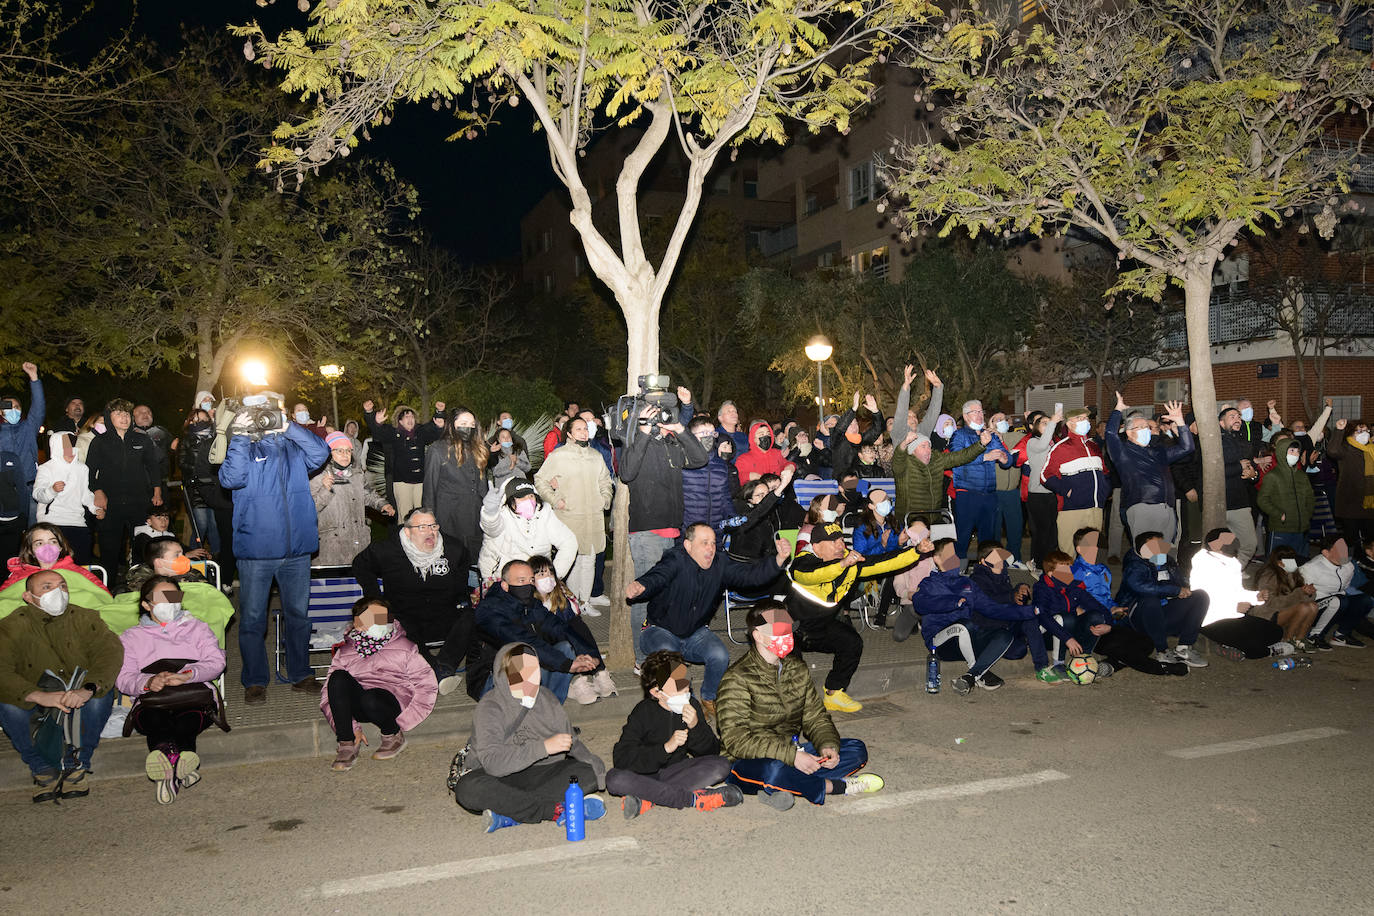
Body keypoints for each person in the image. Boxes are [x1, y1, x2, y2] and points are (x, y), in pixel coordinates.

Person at [716, 604, 883, 810]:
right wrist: (792, 756)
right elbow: (736, 740)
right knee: (773, 770)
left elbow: (815, 716)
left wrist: (826, 744)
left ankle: (787, 784)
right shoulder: (736, 678)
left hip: (791, 751)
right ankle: (834, 786)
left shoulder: (796, 668)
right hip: (746, 761)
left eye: (788, 630)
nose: (787, 636)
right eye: (779, 632)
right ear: (758, 636)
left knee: (855, 749)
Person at [219, 401, 331, 705]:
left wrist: (289, 426)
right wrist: (240, 435)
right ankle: (254, 680)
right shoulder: (243, 446)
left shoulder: (292, 446)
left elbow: (322, 453)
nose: (264, 420)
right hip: (256, 550)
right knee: (253, 619)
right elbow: (230, 479)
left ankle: (301, 673)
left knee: (299, 616)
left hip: (297, 550)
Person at [627, 522, 789, 718]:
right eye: (704, 543)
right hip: (658, 630)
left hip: (694, 632)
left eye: (713, 543)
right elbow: (658, 576)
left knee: (720, 656)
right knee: (671, 660)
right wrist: (641, 585)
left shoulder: (721, 563)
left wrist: (778, 560)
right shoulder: (675, 559)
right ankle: (688, 702)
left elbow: (749, 576)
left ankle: (709, 697)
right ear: (688, 546)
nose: (710, 548)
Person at [453, 642, 608, 832]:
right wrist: (543, 747)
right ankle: (552, 810)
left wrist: (597, 770)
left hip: (539, 773)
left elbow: (573, 743)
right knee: (468, 789)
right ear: (506, 675)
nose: (531, 678)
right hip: (499, 778)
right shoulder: (490, 706)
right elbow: (492, 763)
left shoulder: (547, 699)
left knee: (586, 774)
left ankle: (510, 812)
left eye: (534, 670)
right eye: (522, 672)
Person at [0, 570, 122, 802]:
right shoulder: (10, 626)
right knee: (8, 705)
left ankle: (76, 764)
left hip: (78, 691)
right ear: (28, 597)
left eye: (63, 586)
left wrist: (88, 688)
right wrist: (36, 695)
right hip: (37, 696)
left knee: (99, 698)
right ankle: (42, 768)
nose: (58, 592)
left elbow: (110, 653)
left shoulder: (86, 618)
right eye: (47, 587)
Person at [115, 575, 226, 804]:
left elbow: (216, 662)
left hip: (192, 693)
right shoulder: (131, 637)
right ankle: (180, 763)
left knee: (188, 718)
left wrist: (187, 675)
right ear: (146, 604)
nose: (170, 602)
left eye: (174, 596)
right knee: (154, 717)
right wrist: (147, 682)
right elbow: (123, 677)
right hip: (153, 697)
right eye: (162, 597)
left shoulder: (197, 628)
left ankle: (167, 762)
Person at [787, 521, 920, 711]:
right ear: (816, 547)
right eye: (833, 542)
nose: (841, 546)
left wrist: (917, 552)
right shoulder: (802, 562)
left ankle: (834, 693)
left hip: (818, 626)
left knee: (852, 642)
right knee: (793, 668)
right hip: (787, 626)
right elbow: (811, 575)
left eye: (842, 540)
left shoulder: (850, 563)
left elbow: (884, 562)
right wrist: (842, 564)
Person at [915, 539, 1068, 693]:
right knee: (964, 626)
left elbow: (993, 608)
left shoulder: (967, 584)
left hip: (967, 640)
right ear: (937, 559)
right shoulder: (930, 583)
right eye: (950, 554)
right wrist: (953, 603)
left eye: (956, 554)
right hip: (940, 642)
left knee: (1004, 635)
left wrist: (1031, 611)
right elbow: (920, 604)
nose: (955, 558)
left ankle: (971, 676)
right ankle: (980, 673)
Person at [620, 402, 709, 665]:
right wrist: (644, 430)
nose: (659, 421)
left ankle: (660, 651)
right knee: (643, 595)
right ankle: (641, 658)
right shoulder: (637, 441)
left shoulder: (672, 444)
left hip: (672, 531)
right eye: (653, 418)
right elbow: (626, 473)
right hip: (647, 532)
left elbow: (700, 458)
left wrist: (680, 428)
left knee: (666, 596)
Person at [606, 650, 742, 818]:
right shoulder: (643, 712)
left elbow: (711, 751)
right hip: (644, 773)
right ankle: (691, 799)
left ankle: (649, 797)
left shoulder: (691, 704)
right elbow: (621, 758)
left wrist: (696, 726)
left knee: (721, 765)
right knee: (614, 779)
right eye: (677, 685)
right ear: (656, 692)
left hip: (677, 772)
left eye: (685, 681)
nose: (685, 688)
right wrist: (665, 749)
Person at [353, 507, 474, 695]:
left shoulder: (452, 548)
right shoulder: (388, 549)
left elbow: (464, 565)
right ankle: (437, 671)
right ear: (408, 532)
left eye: (433, 526)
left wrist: (461, 595)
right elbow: (360, 565)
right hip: (405, 615)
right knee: (395, 621)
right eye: (422, 527)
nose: (430, 532)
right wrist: (376, 600)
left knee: (470, 616)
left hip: (442, 613)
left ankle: (443, 665)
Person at [322, 596, 437, 771]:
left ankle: (392, 735)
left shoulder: (405, 646)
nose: (381, 622)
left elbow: (425, 683)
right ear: (358, 623)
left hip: (389, 701)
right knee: (337, 678)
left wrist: (406, 719)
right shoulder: (345, 651)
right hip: (359, 702)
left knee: (371, 698)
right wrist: (352, 727)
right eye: (373, 618)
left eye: (383, 617)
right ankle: (346, 743)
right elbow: (328, 696)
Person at [474, 560, 598, 703]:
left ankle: (550, 711)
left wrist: (588, 654)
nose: (528, 585)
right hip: (492, 680)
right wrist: (566, 664)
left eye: (531, 580)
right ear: (505, 586)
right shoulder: (489, 610)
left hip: (528, 672)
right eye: (521, 581)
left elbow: (558, 627)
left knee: (565, 647)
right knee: (524, 656)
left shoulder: (530, 604)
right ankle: (529, 717)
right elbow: (522, 641)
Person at [534, 416, 613, 612]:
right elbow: (540, 479)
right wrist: (554, 500)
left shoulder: (595, 455)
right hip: (569, 516)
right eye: (578, 429)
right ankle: (571, 601)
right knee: (572, 560)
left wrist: (605, 499)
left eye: (585, 429)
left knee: (590, 559)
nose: (584, 432)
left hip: (593, 516)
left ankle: (584, 602)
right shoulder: (558, 456)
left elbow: (605, 481)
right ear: (568, 433)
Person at [87, 398, 163, 587]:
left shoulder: (142, 439)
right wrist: (96, 490)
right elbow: (88, 471)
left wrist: (157, 491)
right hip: (110, 504)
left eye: (126, 414)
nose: (124, 418)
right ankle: (107, 588)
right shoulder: (99, 442)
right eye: (118, 414)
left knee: (143, 546)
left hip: (138, 502)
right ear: (109, 417)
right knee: (109, 549)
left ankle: (142, 587)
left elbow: (153, 467)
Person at [1104, 396, 1193, 545]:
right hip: (1143, 507)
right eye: (1141, 427)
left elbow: (1187, 447)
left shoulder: (1158, 451)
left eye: (1148, 427)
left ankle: (1163, 569)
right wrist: (1117, 410)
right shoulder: (1123, 452)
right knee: (1147, 553)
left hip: (1167, 507)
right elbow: (1110, 434)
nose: (1146, 430)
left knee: (1166, 552)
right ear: (1129, 432)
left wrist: (1180, 421)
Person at [1115, 532, 1210, 667]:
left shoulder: (1167, 561)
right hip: (1138, 618)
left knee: (1200, 596)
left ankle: (1184, 648)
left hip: (1164, 613)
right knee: (1150, 600)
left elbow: (1181, 582)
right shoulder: (1134, 564)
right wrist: (1174, 591)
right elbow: (1141, 587)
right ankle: (1162, 651)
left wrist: (1183, 591)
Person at [529, 554, 615, 704]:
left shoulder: (559, 594)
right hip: (545, 650)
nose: (548, 578)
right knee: (561, 630)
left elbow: (571, 624)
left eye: (550, 573)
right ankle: (576, 680)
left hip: (565, 643)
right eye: (542, 574)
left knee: (575, 623)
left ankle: (599, 671)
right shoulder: (529, 601)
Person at [1190, 529, 1286, 659]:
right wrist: (1233, 607)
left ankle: (1230, 645)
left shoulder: (1232, 563)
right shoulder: (1203, 561)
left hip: (1235, 615)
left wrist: (1255, 597)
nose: (1232, 543)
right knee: (1255, 646)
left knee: (1276, 632)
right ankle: (1266, 652)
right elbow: (1203, 597)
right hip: (1212, 619)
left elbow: (1237, 591)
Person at [310, 431, 395, 566]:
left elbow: (367, 493)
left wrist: (382, 504)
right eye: (339, 451)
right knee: (335, 584)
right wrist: (325, 490)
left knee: (359, 579)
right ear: (329, 453)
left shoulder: (357, 474)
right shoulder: (317, 476)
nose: (345, 455)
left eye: (348, 451)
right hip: (331, 545)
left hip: (358, 540)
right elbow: (309, 510)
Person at [947, 398, 1013, 560]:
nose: (979, 415)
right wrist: (985, 457)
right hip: (967, 493)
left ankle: (987, 570)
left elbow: (1008, 458)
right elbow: (957, 458)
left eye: (981, 411)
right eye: (975, 412)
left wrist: (1005, 459)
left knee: (988, 538)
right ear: (965, 416)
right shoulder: (959, 435)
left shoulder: (990, 435)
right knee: (962, 536)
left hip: (989, 494)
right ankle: (956, 572)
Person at [479, 476, 578, 584]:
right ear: (510, 500)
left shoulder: (544, 513)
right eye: (521, 497)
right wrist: (490, 512)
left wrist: (553, 575)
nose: (528, 500)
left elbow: (568, 541)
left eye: (531, 496)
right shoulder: (502, 514)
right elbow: (492, 529)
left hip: (538, 577)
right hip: (503, 577)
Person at [177, 407, 235, 589]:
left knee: (217, 530)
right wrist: (198, 473)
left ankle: (217, 567)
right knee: (200, 526)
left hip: (218, 493)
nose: (200, 422)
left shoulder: (222, 439)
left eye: (203, 419)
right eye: (196, 420)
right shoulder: (187, 441)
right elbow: (183, 462)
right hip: (198, 490)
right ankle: (195, 565)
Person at [1040, 407, 1110, 555]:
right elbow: (1045, 475)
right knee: (1068, 553)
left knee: (1090, 553)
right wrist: (1067, 491)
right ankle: (1065, 578)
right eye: (1079, 419)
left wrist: (1104, 490)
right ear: (1069, 424)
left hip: (1095, 508)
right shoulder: (1061, 447)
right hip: (1072, 509)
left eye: (1086, 418)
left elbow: (1104, 472)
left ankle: (1086, 578)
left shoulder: (1094, 446)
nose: (1085, 421)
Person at [423, 406, 488, 562]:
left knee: (473, 559)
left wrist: (488, 512)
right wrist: (428, 521)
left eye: (472, 424)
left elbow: (482, 487)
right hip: (449, 516)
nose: (469, 427)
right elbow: (429, 489)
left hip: (474, 514)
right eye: (464, 422)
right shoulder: (438, 449)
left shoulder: (478, 449)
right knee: (452, 559)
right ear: (452, 424)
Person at [363, 399, 445, 520]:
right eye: (407, 416)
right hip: (402, 483)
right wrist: (371, 416)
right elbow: (378, 433)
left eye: (412, 416)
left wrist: (439, 412)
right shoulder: (393, 433)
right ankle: (403, 537)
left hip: (420, 483)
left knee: (422, 515)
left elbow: (434, 427)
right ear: (400, 420)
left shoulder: (421, 432)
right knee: (404, 516)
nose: (410, 418)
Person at [31, 431, 100, 565]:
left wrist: (95, 508)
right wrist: (52, 490)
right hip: (52, 523)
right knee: (53, 564)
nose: (69, 449)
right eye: (65, 445)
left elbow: (85, 494)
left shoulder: (82, 468)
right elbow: (37, 494)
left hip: (77, 522)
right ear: (56, 447)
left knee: (80, 564)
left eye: (71, 444)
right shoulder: (46, 468)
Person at [1300, 535, 1370, 648]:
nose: (1344, 552)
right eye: (1339, 549)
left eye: (1345, 548)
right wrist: (1305, 591)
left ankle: (1341, 635)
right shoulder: (1311, 567)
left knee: (1365, 600)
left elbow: (1347, 588)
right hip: (1314, 608)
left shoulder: (1348, 565)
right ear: (1326, 553)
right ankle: (1315, 636)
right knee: (1339, 601)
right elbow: (1296, 592)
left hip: (1339, 604)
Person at [2, 523, 110, 593]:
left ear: (60, 546)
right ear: (30, 550)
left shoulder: (78, 572)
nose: (47, 547)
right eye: (39, 543)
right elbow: (5, 599)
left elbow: (102, 595)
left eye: (53, 541)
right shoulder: (19, 575)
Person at [1251, 547, 1322, 651]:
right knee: (1303, 608)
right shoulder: (1268, 576)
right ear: (1279, 562)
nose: (1293, 563)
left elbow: (1302, 597)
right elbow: (1272, 603)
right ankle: (1287, 640)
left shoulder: (1294, 574)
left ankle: (1299, 639)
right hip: (1266, 615)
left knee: (1313, 606)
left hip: (1285, 611)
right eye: (1290, 560)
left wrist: (1309, 592)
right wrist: (1299, 593)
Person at [1257, 434, 1316, 559]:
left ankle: (1294, 579)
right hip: (1281, 529)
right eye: (1292, 451)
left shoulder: (1301, 475)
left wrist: (1307, 514)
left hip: (1301, 528)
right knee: (1278, 564)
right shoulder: (1273, 476)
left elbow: (1310, 497)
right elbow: (1262, 500)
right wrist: (1279, 514)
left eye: (1297, 451)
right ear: (1282, 452)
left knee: (1298, 563)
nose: (1295, 454)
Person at [0, 362, 43, 528]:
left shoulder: (28, 427)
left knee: (31, 532)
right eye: (8, 407)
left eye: (17, 407)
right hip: (4, 491)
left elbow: (38, 408)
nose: (14, 410)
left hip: (29, 488)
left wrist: (34, 378)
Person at [1218, 405, 1261, 566]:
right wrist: (1239, 467)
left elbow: (1251, 467)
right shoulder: (1214, 442)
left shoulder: (1244, 443)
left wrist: (1253, 474)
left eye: (1239, 417)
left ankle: (1235, 572)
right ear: (1221, 423)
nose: (1238, 419)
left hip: (1240, 501)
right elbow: (1213, 470)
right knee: (1221, 547)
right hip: (1219, 503)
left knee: (1249, 544)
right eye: (1232, 417)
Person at [1325, 418, 1374, 554]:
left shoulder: (1371, 449)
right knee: (1351, 539)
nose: (1363, 433)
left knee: (1370, 538)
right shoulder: (1346, 448)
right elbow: (1332, 451)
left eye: (1365, 430)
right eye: (1358, 431)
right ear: (1350, 433)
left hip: (1369, 503)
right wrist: (1339, 431)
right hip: (1350, 502)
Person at [828, 390, 884, 480]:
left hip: (863, 481)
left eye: (856, 423)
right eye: (850, 425)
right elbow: (839, 428)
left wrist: (875, 411)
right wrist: (854, 408)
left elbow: (878, 429)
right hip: (844, 485)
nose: (854, 427)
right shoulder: (838, 440)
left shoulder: (862, 439)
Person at [131, 404, 173, 488]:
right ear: (133, 418)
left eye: (148, 412)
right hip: (138, 484)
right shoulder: (129, 435)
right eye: (140, 413)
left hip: (162, 482)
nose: (145, 414)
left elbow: (173, 450)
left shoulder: (161, 431)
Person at [1070, 528, 1112, 608]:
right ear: (1079, 549)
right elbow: (1074, 599)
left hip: (1104, 611)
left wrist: (1112, 607)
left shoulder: (1104, 570)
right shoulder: (1076, 571)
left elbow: (1106, 597)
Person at [488, 425, 533, 491]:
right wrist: (510, 468)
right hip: (504, 488)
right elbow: (496, 472)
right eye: (503, 437)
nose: (506, 439)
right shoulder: (495, 452)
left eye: (508, 436)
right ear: (498, 440)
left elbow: (528, 468)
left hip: (521, 485)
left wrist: (517, 461)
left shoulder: (518, 449)